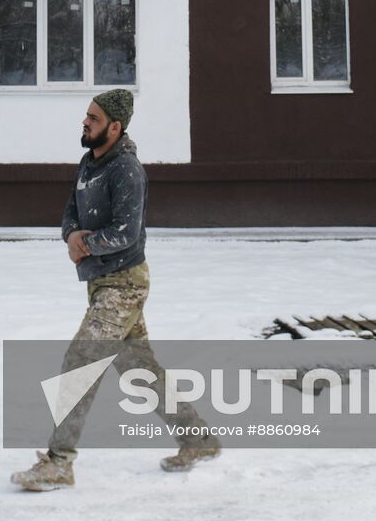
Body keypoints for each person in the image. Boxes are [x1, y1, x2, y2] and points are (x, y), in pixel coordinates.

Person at [11, 89, 220, 492]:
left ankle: (58, 463)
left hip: (123, 284)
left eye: (93, 117)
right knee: (141, 371)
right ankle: (199, 440)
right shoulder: (89, 163)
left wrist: (85, 244)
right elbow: (70, 211)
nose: (85, 122)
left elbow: (126, 232)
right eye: (86, 115)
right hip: (101, 283)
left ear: (115, 126)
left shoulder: (127, 170)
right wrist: (72, 234)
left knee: (80, 362)